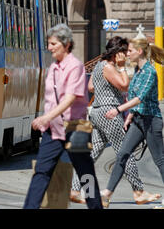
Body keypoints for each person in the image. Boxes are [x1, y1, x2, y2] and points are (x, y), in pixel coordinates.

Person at [70, 36, 161, 205]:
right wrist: (120, 68)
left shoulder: (98, 65)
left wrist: (105, 85)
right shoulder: (110, 67)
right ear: (117, 53)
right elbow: (124, 85)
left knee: (94, 153)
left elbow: (91, 87)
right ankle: (139, 191)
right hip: (109, 111)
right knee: (124, 152)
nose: (126, 55)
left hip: (97, 111)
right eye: (124, 52)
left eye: (129, 52)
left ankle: (75, 189)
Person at [23, 23, 103, 209]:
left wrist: (45, 117)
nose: (50, 47)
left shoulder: (75, 67)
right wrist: (47, 120)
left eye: (53, 44)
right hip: (53, 130)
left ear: (66, 45)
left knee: (85, 174)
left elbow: (70, 98)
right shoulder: (54, 68)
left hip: (73, 128)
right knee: (42, 171)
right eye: (49, 43)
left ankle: (96, 206)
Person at [101, 36, 164, 207]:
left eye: (129, 51)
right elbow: (132, 95)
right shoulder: (137, 70)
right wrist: (130, 116)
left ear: (139, 51)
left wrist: (119, 110)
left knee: (159, 160)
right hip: (138, 120)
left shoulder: (150, 72)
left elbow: (139, 98)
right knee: (122, 155)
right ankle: (106, 194)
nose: (127, 54)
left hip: (151, 121)